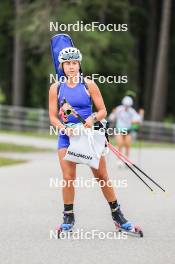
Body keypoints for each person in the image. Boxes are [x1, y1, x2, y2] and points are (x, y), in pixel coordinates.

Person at [49, 47, 140, 233]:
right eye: (67, 63)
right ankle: (68, 217)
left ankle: (118, 216)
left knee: (102, 176)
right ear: (62, 66)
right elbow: (53, 117)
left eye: (74, 63)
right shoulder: (56, 88)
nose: (71, 67)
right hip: (67, 137)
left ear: (79, 64)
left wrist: (92, 119)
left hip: (89, 136)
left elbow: (103, 111)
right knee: (68, 177)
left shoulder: (88, 84)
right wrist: (64, 128)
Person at [109, 96, 142, 166]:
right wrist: (112, 116)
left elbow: (137, 119)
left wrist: (139, 118)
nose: (126, 107)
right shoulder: (119, 109)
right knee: (120, 144)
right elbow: (112, 117)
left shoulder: (132, 111)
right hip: (119, 129)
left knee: (127, 145)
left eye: (128, 106)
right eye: (125, 105)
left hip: (128, 129)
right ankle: (119, 160)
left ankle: (127, 160)